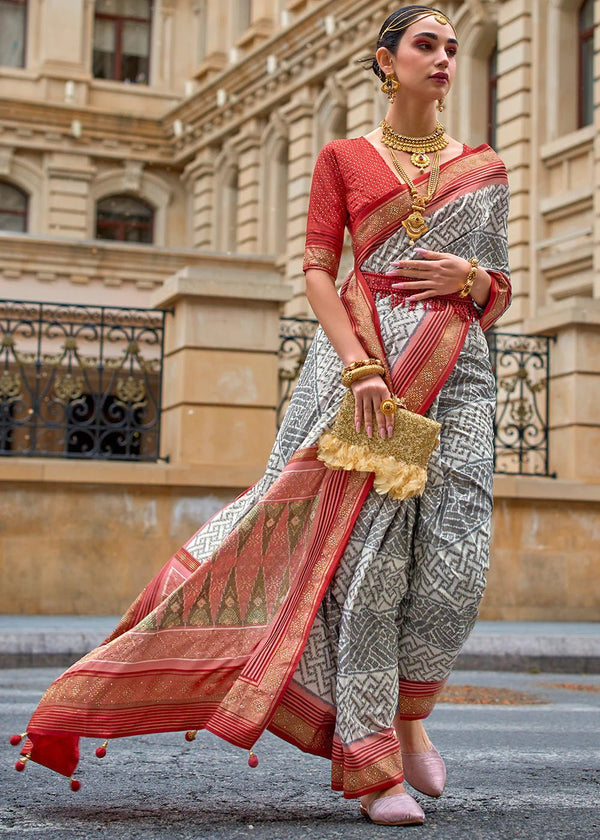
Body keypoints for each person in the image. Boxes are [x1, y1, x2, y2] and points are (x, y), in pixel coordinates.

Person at [10, 5, 510, 828]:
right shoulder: (343, 157)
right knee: (372, 567)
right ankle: (374, 761)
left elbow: (500, 288)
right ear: (387, 61)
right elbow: (316, 270)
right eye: (427, 44)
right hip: (368, 373)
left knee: (457, 570)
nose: (445, 58)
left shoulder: (485, 170)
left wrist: (472, 280)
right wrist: (358, 366)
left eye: (453, 47)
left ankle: (411, 712)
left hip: (461, 375)